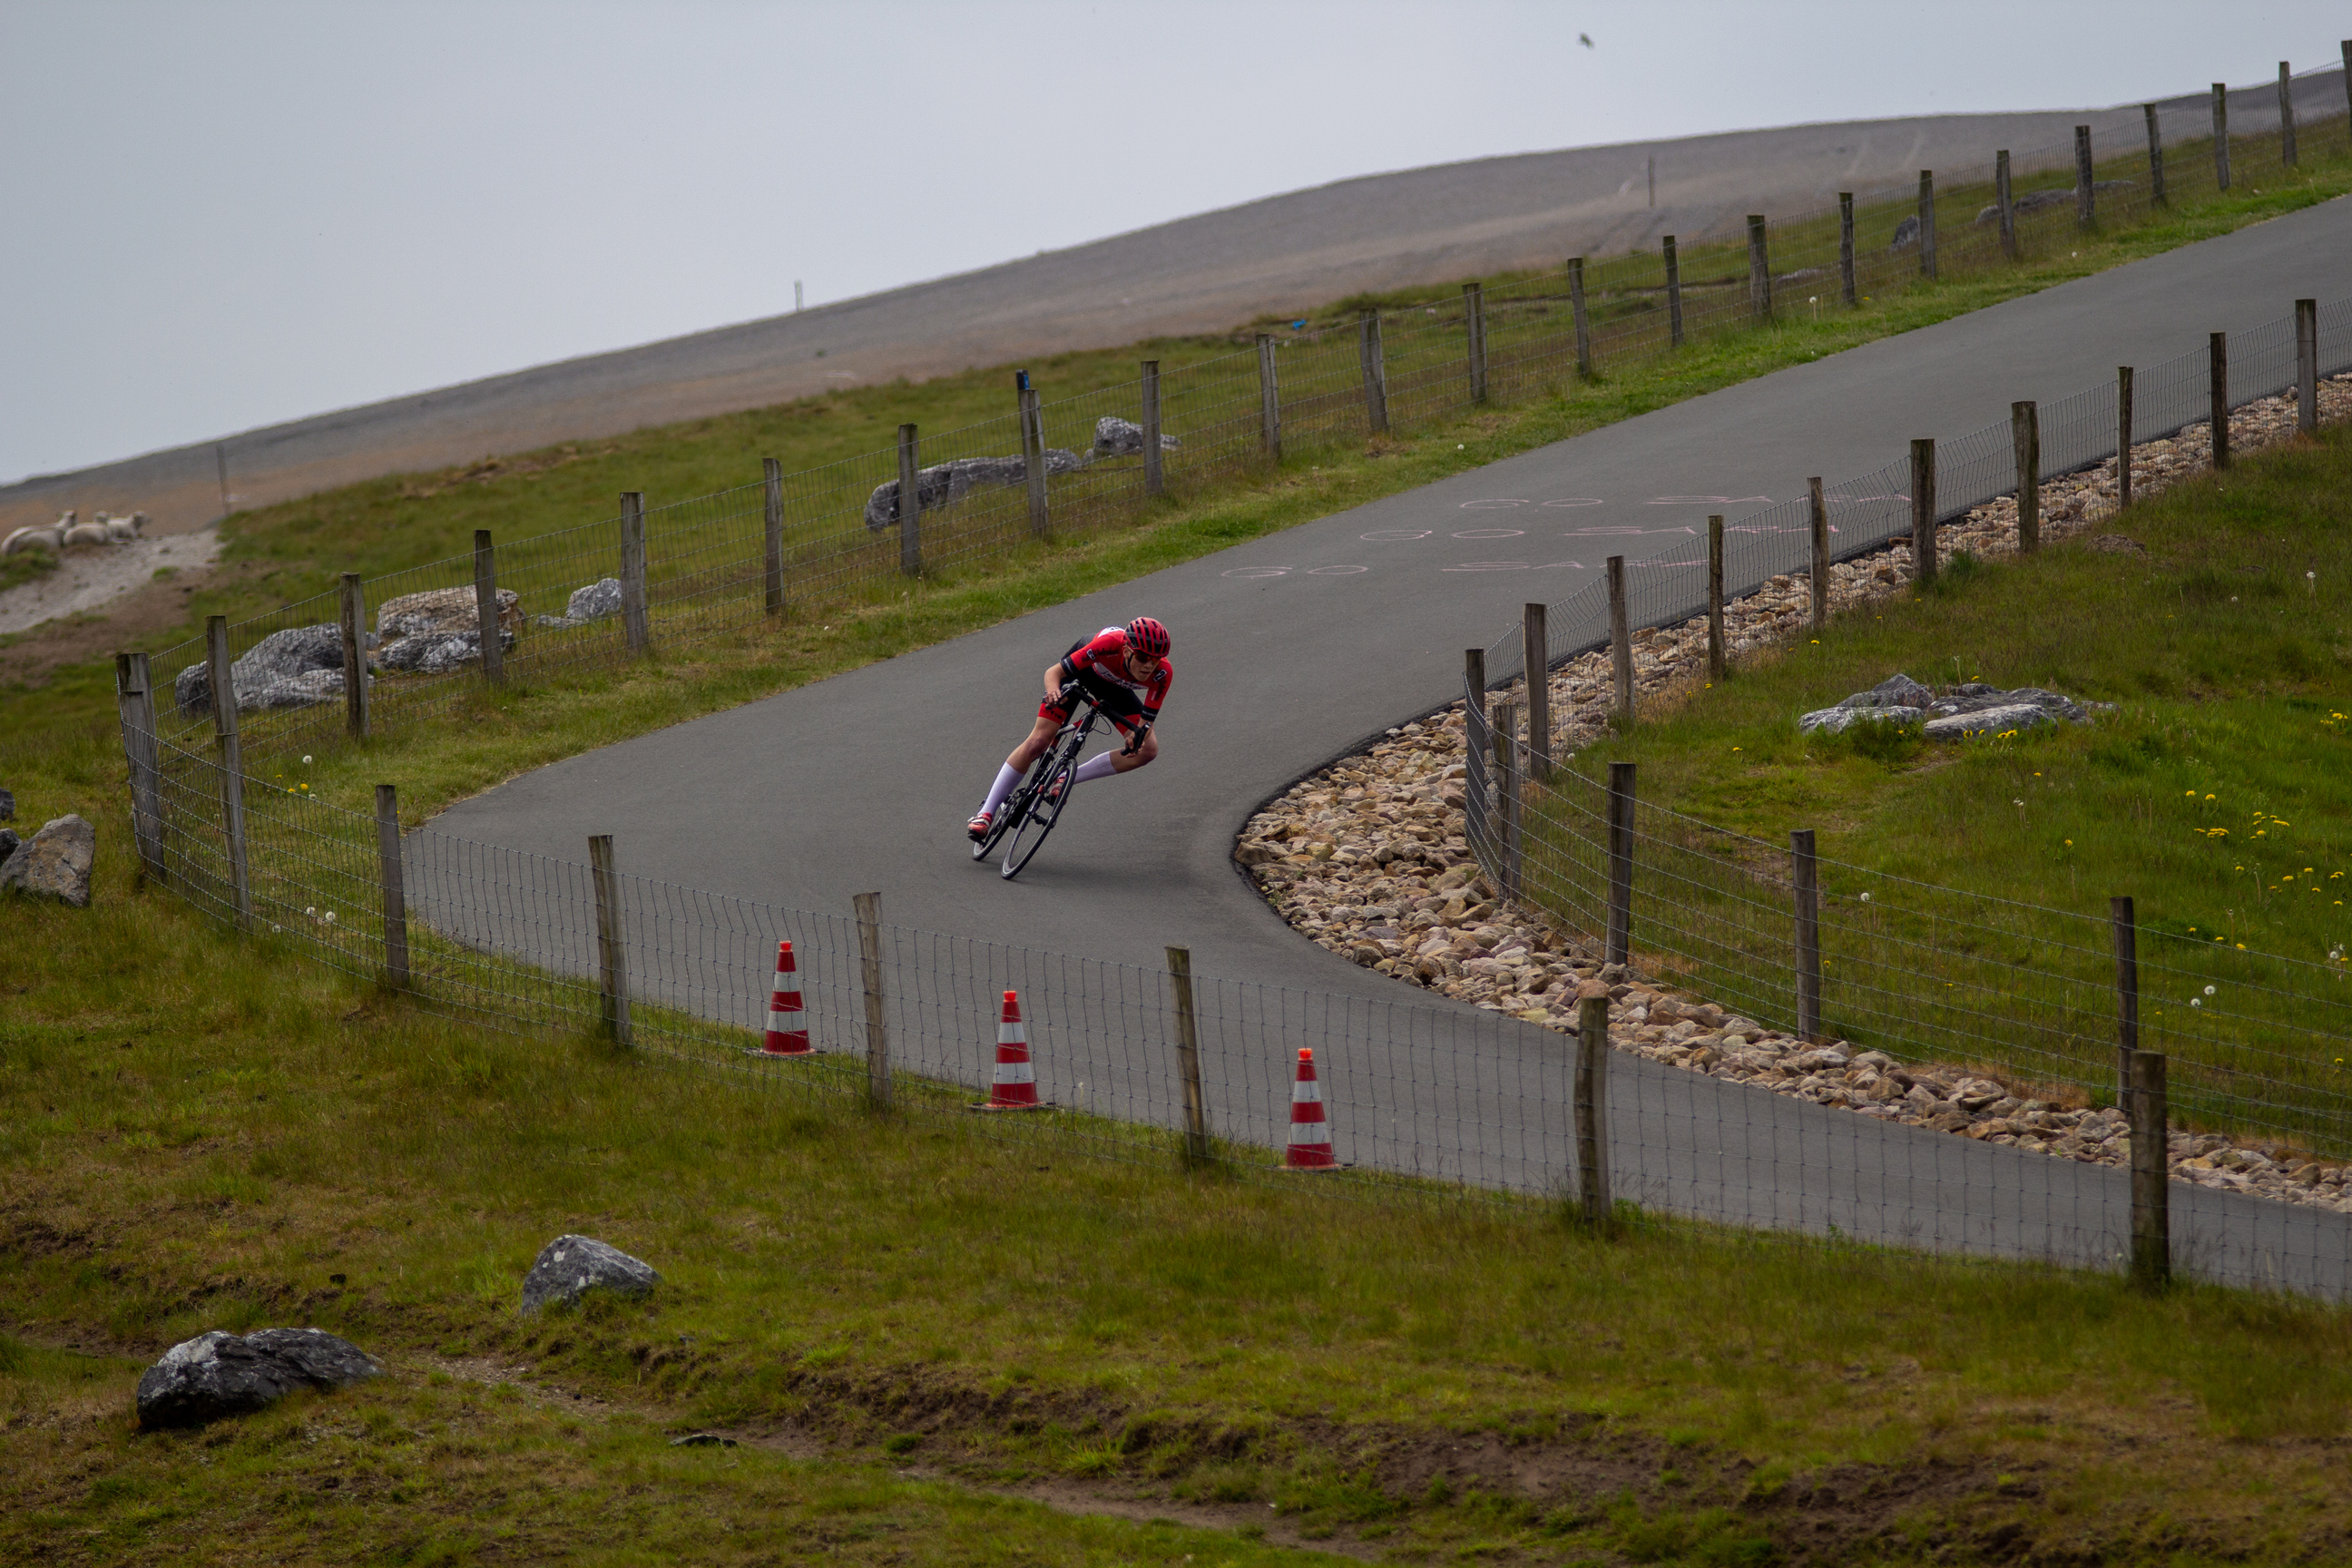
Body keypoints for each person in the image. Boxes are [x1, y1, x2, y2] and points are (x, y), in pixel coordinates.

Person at [969, 616, 1171, 841]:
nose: (1149, 665)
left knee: (1148, 750)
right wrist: (1053, 691)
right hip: (1080, 673)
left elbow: (1147, 724)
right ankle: (985, 813)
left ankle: (1066, 777)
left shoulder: (1163, 674)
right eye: (1143, 657)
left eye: (1155, 659)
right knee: (1039, 741)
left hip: (1115, 689)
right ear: (1126, 651)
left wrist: (1138, 736)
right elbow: (1053, 673)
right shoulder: (1108, 644)